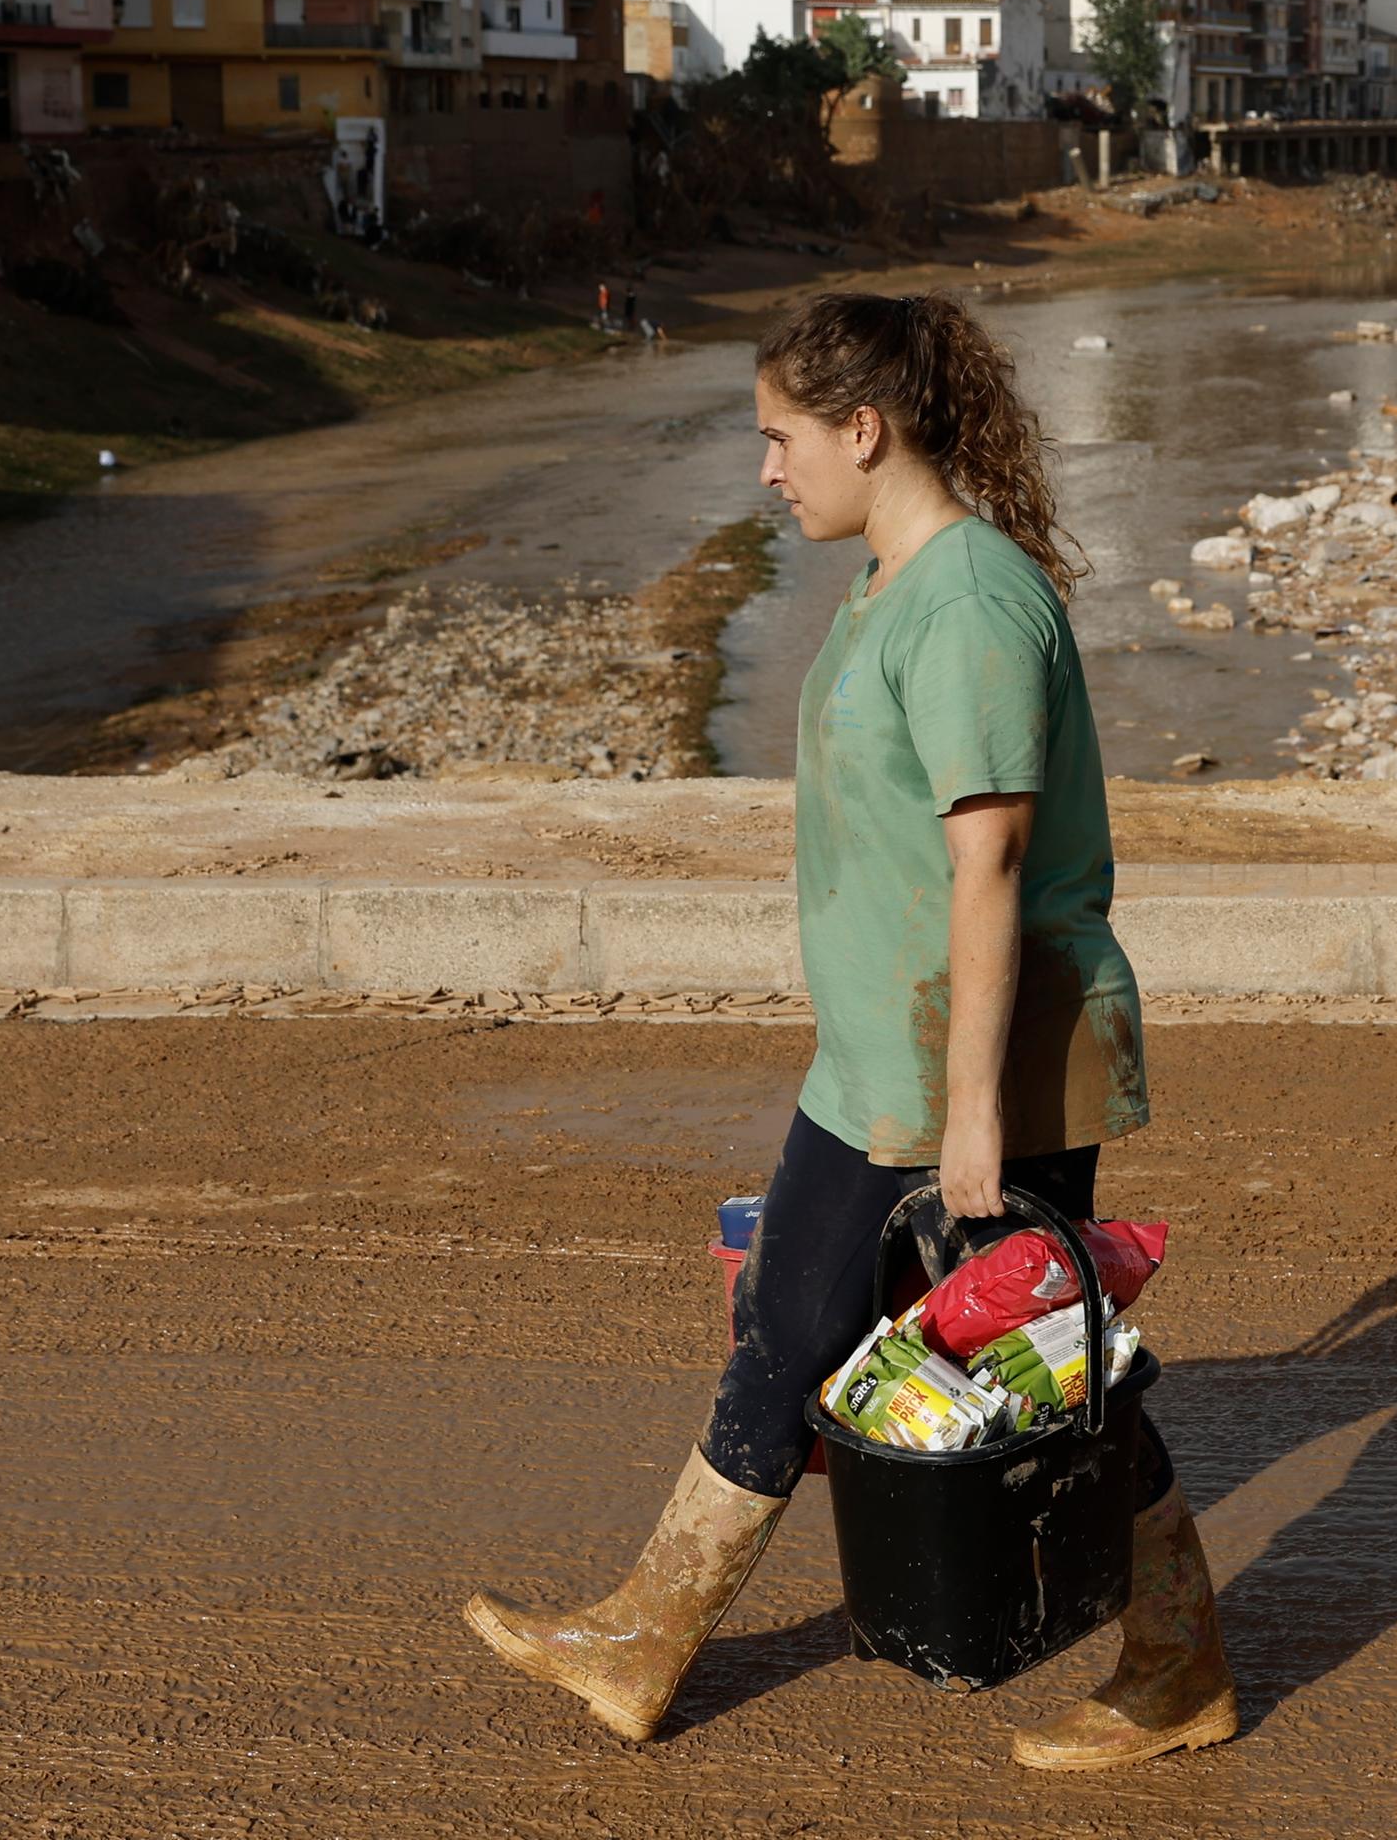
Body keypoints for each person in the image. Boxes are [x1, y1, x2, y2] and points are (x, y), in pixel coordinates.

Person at [462, 293, 1234, 1771]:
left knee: (1032, 1373)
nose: (766, 470)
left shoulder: (968, 603)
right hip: (883, 1056)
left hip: (960, 1069)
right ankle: (646, 1635)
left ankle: (1176, 1669)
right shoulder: (896, 583)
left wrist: (970, 1119)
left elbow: (990, 866)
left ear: (864, 431)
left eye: (780, 438)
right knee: (816, 1334)